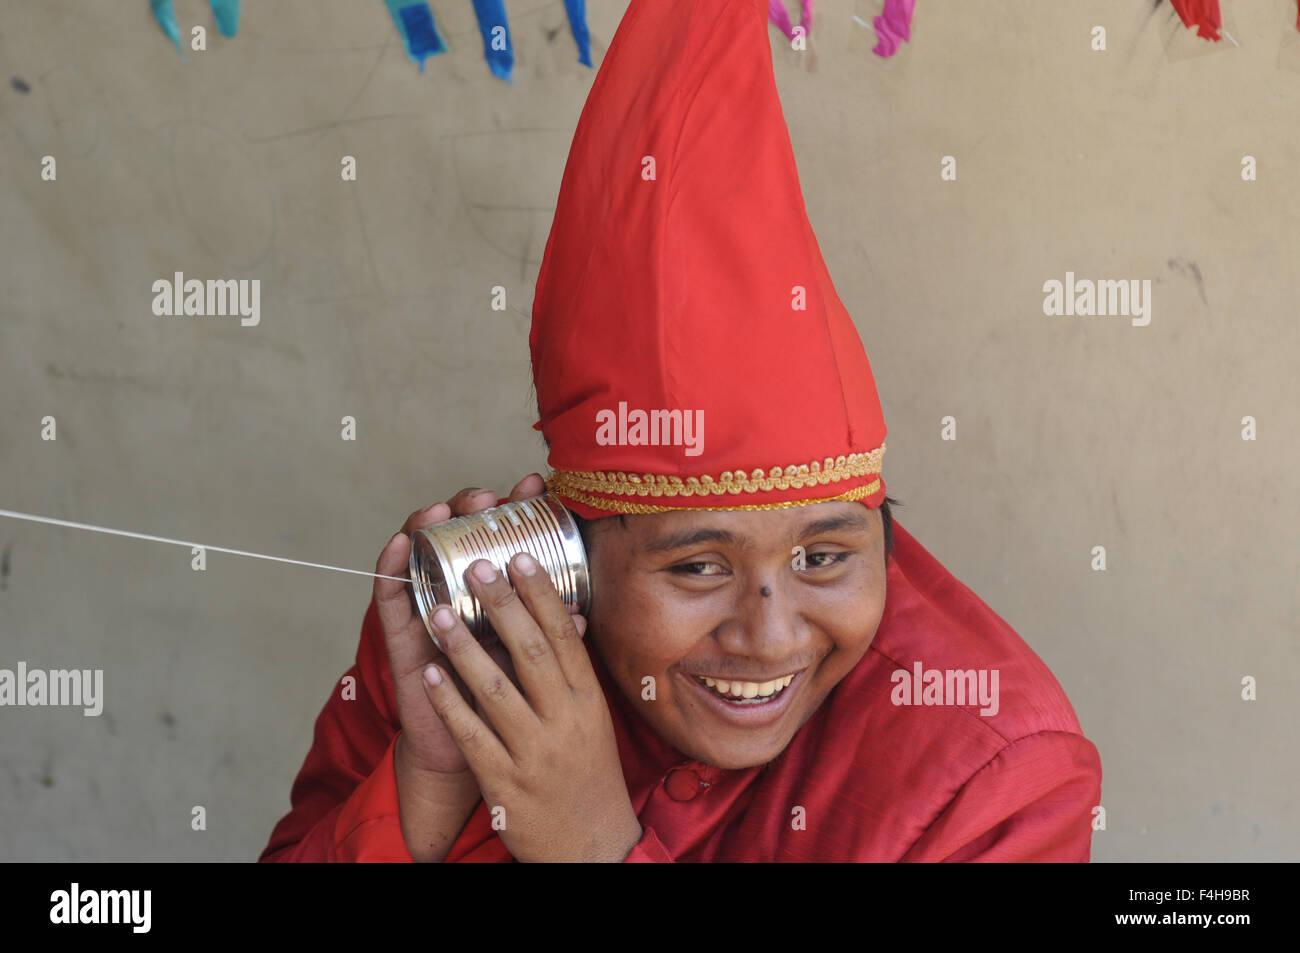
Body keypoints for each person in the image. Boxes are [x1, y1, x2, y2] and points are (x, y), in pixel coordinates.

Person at [261, 0, 1101, 862]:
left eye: (824, 556)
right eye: (699, 565)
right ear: (570, 553)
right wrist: (432, 783)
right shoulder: (476, 634)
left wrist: (592, 848)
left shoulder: (994, 767)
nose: (772, 636)